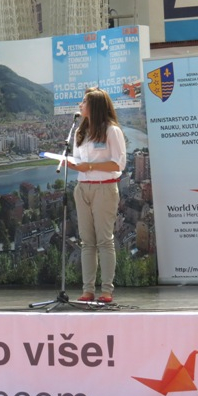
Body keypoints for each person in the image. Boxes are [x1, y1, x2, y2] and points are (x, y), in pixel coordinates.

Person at [67, 87, 127, 303]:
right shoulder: (80, 131)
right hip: (82, 188)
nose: (80, 105)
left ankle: (106, 291)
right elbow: (79, 160)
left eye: (84, 101)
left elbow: (119, 164)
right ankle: (88, 290)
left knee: (104, 240)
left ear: (95, 105)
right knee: (87, 241)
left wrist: (90, 167)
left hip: (104, 188)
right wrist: (72, 164)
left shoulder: (112, 130)